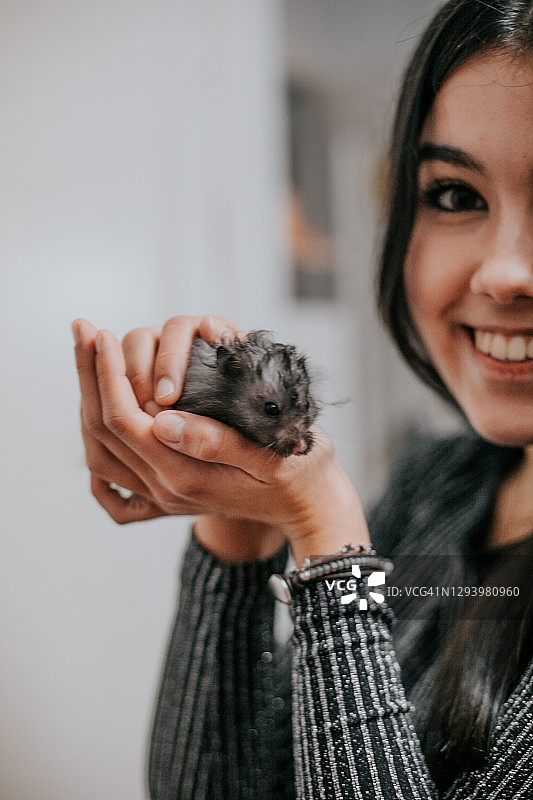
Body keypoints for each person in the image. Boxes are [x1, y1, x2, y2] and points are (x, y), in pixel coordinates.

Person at [72, 0, 533, 796]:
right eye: (455, 195)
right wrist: (239, 522)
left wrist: (326, 540)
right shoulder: (438, 491)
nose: (502, 273)